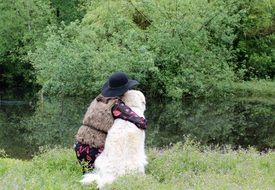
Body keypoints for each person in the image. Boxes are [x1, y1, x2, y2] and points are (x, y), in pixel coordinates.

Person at [74, 72, 147, 173]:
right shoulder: (116, 105)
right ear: (124, 90)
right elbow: (141, 122)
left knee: (88, 172)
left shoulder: (98, 99)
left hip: (79, 148)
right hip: (94, 150)